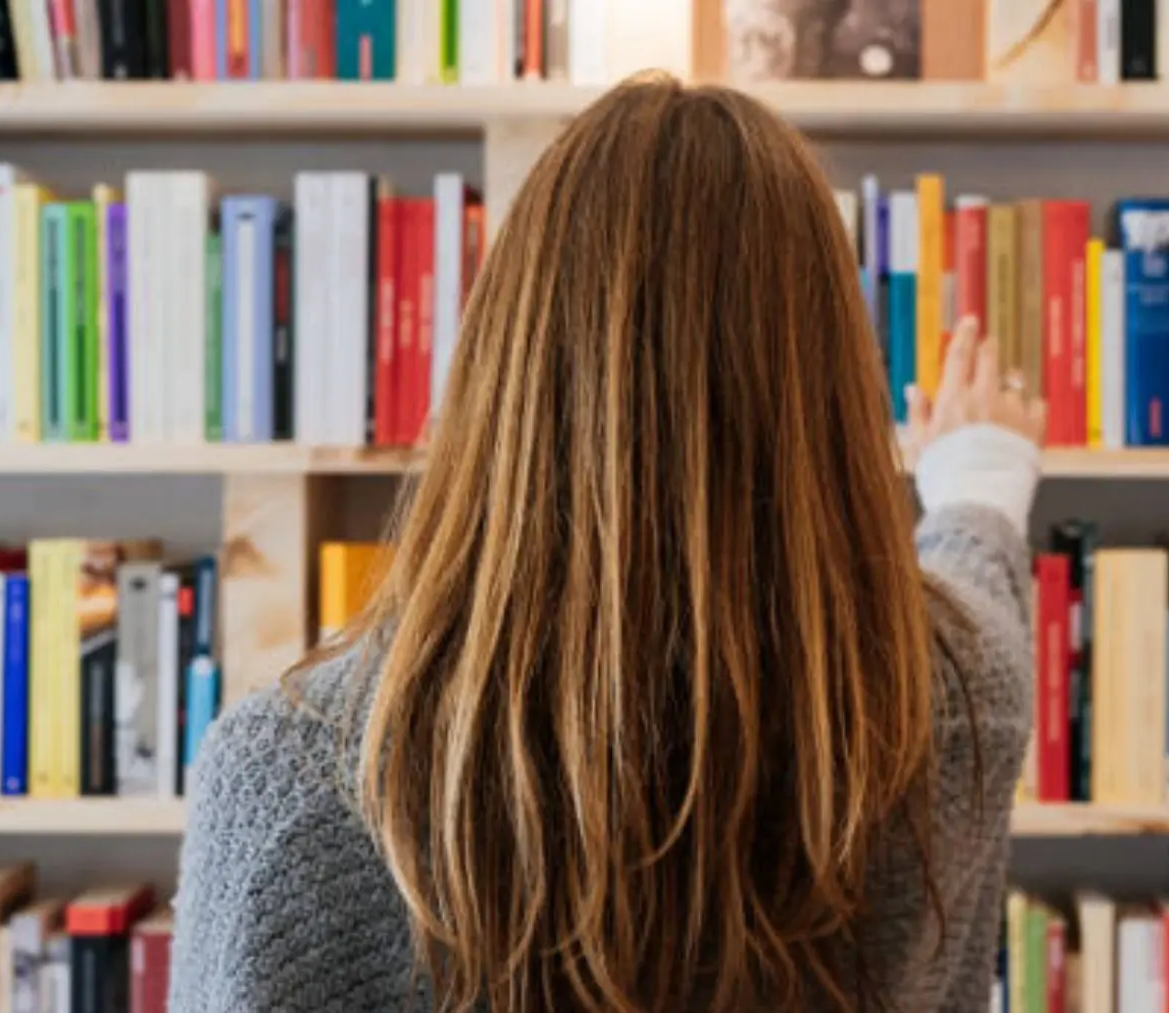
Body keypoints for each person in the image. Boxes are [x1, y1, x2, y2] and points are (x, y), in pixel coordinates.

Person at [169, 74, 1041, 1013]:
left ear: (504, 369)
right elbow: (975, 564)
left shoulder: (295, 783)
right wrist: (981, 462)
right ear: (827, 394)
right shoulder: (950, 708)